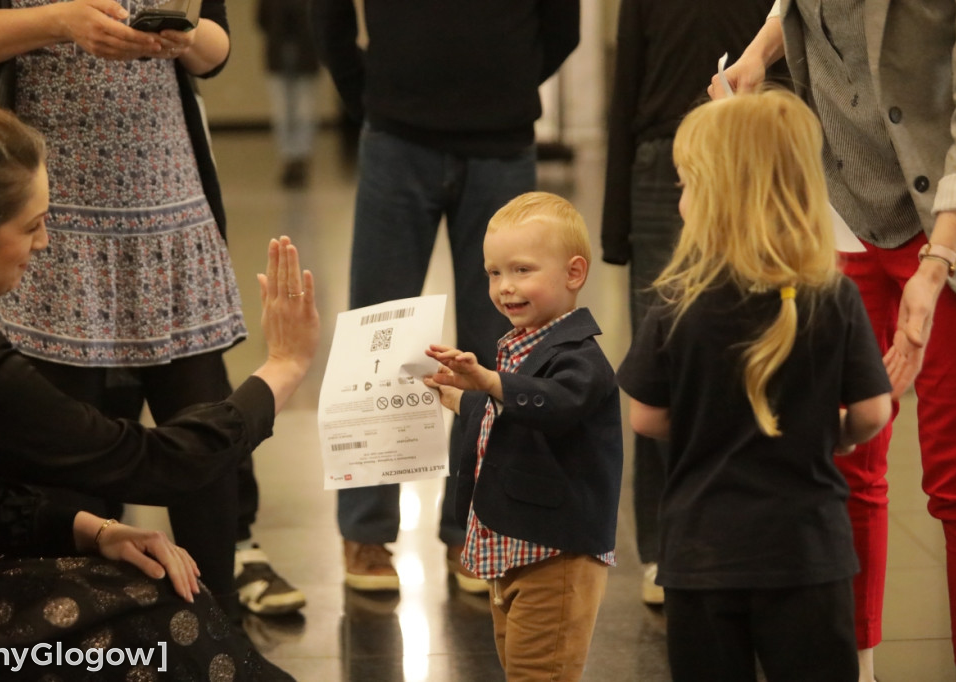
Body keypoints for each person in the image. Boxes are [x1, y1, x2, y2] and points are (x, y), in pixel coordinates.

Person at [0, 0, 305, 618]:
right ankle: (65, 615)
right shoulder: (30, 237)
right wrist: (58, 22)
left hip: (165, 196)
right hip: (46, 195)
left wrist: (185, 38)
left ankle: (217, 612)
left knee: (199, 417)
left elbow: (217, 46)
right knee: (63, 445)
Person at [710, 3, 956, 680]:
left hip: (948, 226)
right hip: (843, 211)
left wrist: (938, 262)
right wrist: (758, 55)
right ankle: (852, 668)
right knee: (839, 459)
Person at [616, 90, 893, 682]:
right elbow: (873, 412)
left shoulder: (676, 302)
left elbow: (645, 417)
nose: (680, 198)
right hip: (808, 554)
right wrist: (837, 433)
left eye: (686, 185)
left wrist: (706, 420)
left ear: (715, 198)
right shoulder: (833, 296)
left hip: (700, 556)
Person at [310, 0, 581, 593]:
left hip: (501, 141)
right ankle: (366, 529)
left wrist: (504, 82)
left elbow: (563, 26)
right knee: (380, 335)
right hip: (397, 133)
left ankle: (475, 526)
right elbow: (327, 12)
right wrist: (369, 92)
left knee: (497, 342)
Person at [601, 0, 781, 607]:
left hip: (753, 150)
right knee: (664, 359)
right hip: (662, 161)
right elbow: (627, 82)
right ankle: (665, 543)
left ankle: (750, 528)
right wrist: (616, 224)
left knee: (758, 340)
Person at [423, 191, 622, 681]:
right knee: (520, 668)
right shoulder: (521, 346)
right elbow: (509, 415)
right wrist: (459, 397)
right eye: (494, 273)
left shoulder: (581, 357)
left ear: (574, 274)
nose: (504, 287)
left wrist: (491, 382)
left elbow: (554, 405)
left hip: (556, 554)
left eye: (522, 270)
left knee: (539, 673)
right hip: (515, 547)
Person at [257, 0, 320, 188]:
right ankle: (288, 158)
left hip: (306, 57)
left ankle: (301, 157)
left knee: (304, 111)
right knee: (282, 113)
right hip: (278, 56)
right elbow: (262, 20)